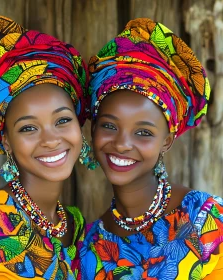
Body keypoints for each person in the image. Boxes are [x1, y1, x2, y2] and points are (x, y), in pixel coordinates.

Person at [0, 13, 90, 279]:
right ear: (6, 140)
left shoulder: (75, 226)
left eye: (62, 120)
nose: (50, 139)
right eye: (28, 128)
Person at [79, 18, 223, 279]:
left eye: (143, 132)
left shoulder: (207, 220)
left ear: (166, 141)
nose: (122, 144)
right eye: (109, 126)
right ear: (93, 130)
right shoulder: (89, 250)